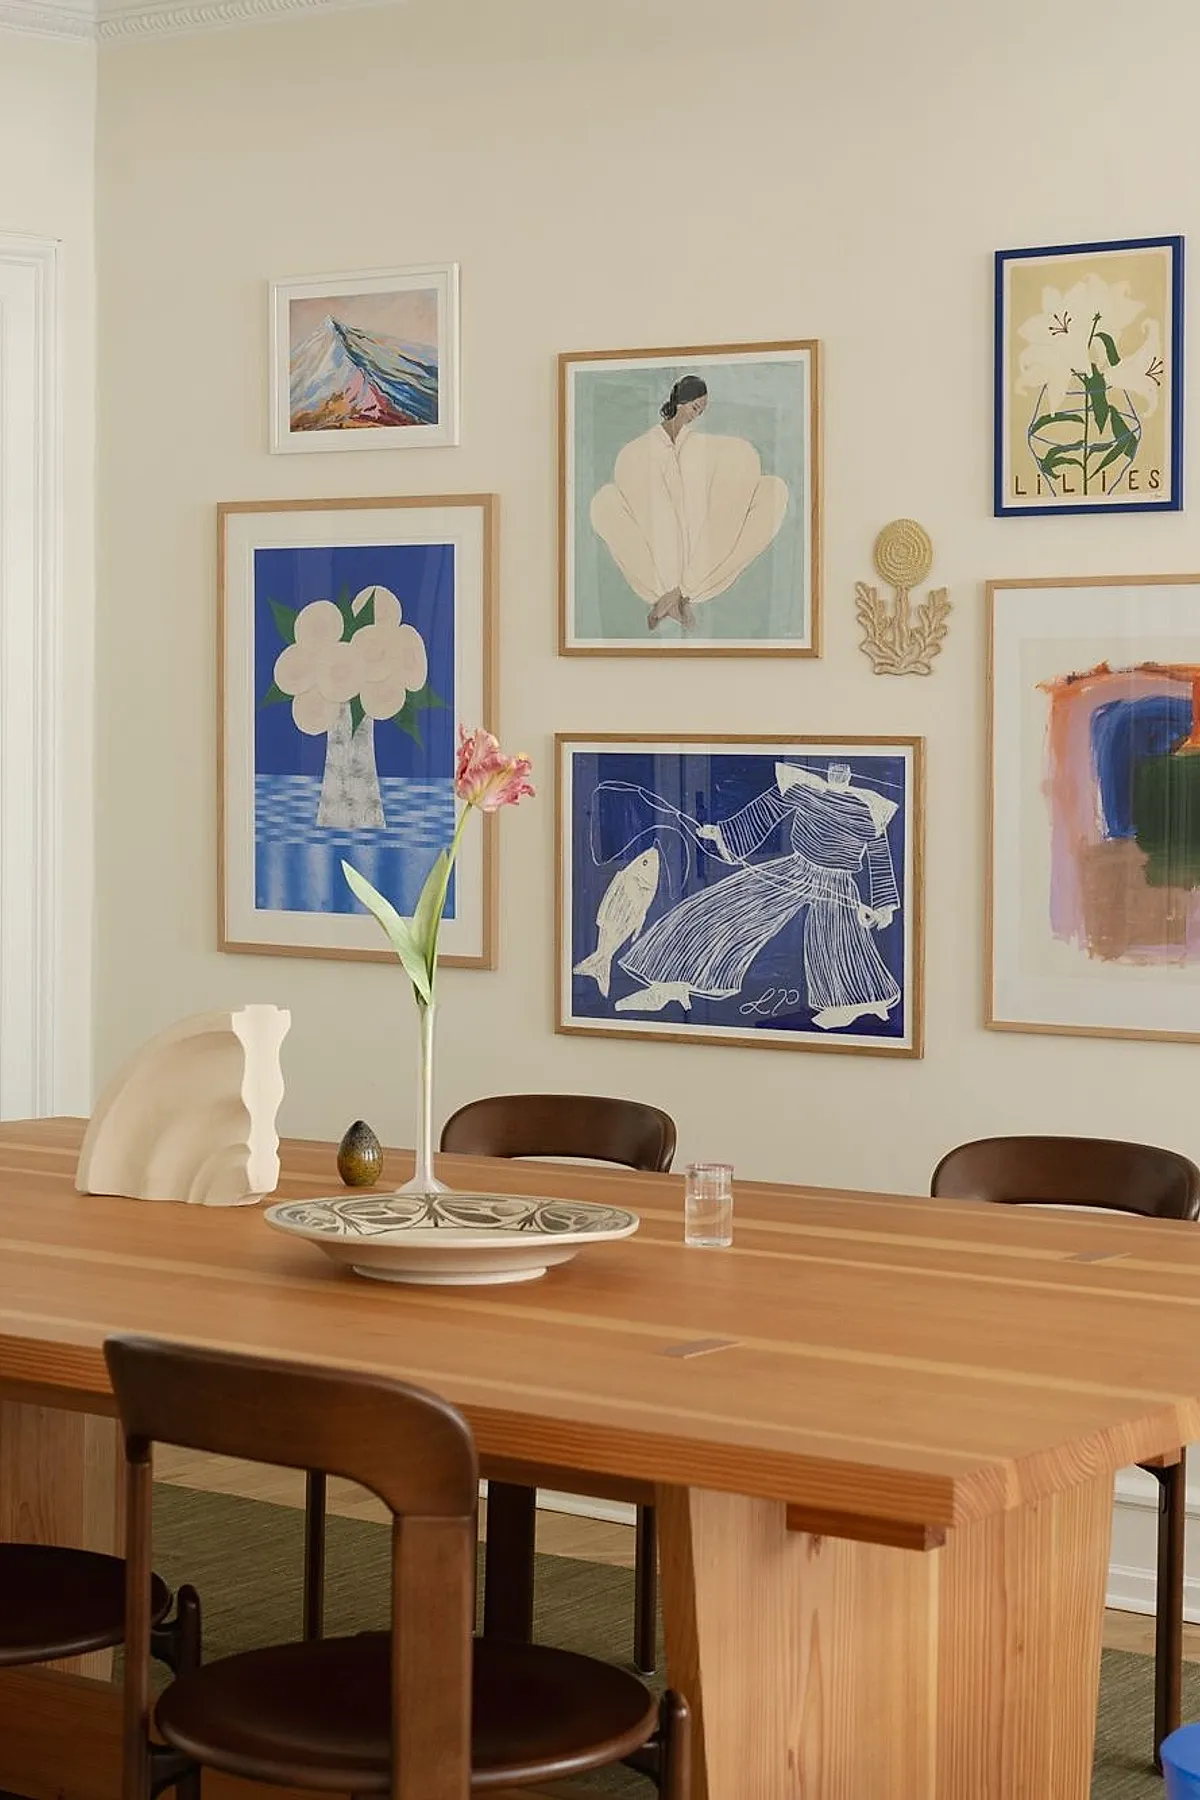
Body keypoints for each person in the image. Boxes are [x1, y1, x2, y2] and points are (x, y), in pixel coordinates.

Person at [612, 762, 902, 1030]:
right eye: (834, 769)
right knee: (725, 906)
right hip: (796, 868)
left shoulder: (869, 808)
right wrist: (724, 833)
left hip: (837, 882)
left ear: (849, 775)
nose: (839, 773)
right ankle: (671, 984)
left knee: (835, 938)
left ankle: (851, 1004)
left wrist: (884, 905)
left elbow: (879, 855)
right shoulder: (806, 788)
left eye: (844, 769)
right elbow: (767, 808)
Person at [589, 375, 789, 633]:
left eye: (701, 411)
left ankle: (678, 594)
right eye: (695, 408)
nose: (696, 415)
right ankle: (674, 595)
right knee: (603, 503)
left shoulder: (702, 449)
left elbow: (712, 508)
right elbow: (651, 516)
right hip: (660, 565)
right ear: (681, 402)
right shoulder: (637, 452)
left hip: (702, 563)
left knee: (773, 491)